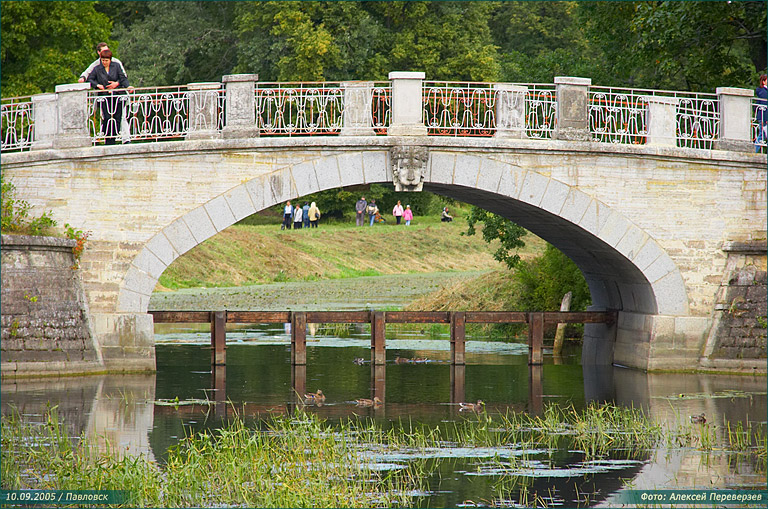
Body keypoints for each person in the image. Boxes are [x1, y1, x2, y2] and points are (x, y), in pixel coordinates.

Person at [87, 49, 129, 145]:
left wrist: (117, 84)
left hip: (117, 96)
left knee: (117, 117)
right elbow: (90, 79)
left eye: (106, 60)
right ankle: (108, 138)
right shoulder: (97, 69)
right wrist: (98, 85)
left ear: (110, 60)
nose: (104, 62)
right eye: (103, 60)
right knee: (107, 117)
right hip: (105, 97)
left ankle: (114, 136)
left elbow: (123, 78)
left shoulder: (116, 66)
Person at [755, 74, 767, 153]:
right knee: (762, 135)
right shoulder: (763, 91)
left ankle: (754, 150)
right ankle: (754, 150)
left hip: (764, 116)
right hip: (764, 116)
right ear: (763, 81)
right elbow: (764, 104)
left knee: (762, 135)